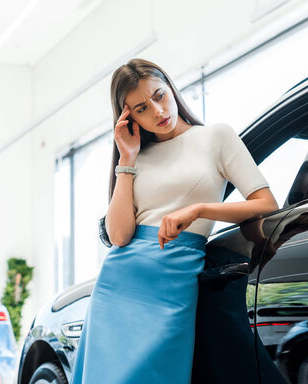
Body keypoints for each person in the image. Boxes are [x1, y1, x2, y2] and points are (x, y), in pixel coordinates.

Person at [70, 58, 279, 384]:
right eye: (141, 108)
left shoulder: (216, 138)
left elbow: (265, 203)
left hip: (174, 281)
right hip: (119, 284)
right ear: (128, 117)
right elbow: (120, 235)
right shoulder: (137, 156)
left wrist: (198, 210)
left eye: (158, 95)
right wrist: (126, 159)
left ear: (171, 87)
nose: (156, 111)